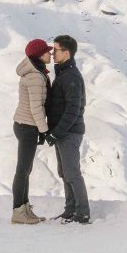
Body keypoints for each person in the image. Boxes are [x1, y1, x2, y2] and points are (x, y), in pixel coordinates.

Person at [41, 35, 90, 224]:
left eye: (56, 50)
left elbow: (73, 110)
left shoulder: (71, 76)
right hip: (63, 132)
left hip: (69, 132)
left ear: (67, 53)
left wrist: (56, 132)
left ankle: (82, 213)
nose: (52, 53)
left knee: (72, 172)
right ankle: (70, 210)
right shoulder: (63, 73)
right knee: (64, 172)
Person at [10, 38, 52, 224]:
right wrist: (44, 131)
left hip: (24, 124)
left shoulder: (36, 73)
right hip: (28, 126)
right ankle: (18, 212)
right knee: (23, 170)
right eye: (46, 51)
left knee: (25, 170)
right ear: (38, 55)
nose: (50, 53)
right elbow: (36, 107)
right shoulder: (35, 76)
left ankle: (24, 209)